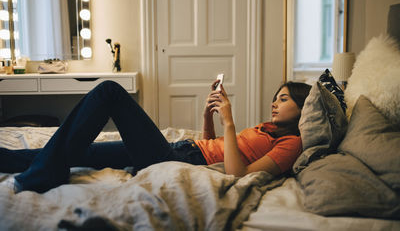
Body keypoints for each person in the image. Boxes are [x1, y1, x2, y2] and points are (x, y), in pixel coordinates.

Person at [0, 80, 311, 193]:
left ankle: (40, 177)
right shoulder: (267, 129)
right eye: (276, 97)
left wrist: (230, 123)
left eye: (284, 99)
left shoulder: (291, 144)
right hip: (183, 149)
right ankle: (12, 160)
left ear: (304, 105)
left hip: (175, 159)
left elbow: (237, 173)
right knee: (82, 151)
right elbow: (211, 146)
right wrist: (209, 117)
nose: (274, 103)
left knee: (109, 91)